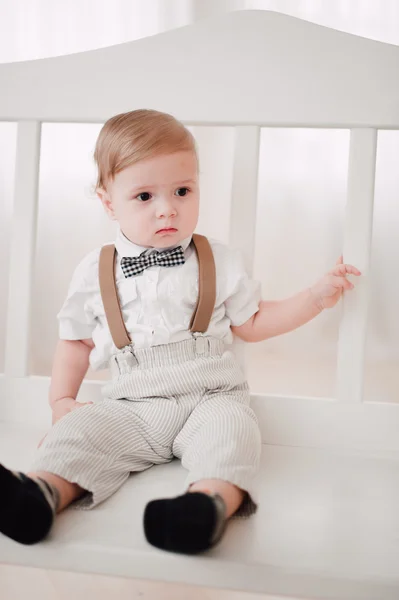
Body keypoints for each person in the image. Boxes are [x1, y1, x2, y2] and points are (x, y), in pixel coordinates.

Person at [0, 110, 361, 554]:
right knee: (83, 432)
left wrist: (314, 297)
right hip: (133, 404)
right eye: (145, 195)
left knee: (233, 435)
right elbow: (75, 341)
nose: (167, 207)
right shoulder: (94, 271)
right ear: (108, 202)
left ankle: (205, 506)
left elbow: (252, 322)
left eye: (182, 191)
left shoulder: (219, 259)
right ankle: (41, 493)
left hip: (211, 395)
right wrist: (61, 402)